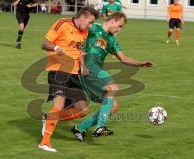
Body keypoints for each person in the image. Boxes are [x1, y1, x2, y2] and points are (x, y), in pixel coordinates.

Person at [71, 12, 153, 142]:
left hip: (96, 69)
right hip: (88, 67)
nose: (119, 29)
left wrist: (140, 63)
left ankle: (80, 128)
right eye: (119, 26)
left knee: (114, 106)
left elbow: (123, 58)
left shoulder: (112, 40)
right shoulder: (94, 28)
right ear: (113, 20)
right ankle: (101, 126)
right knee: (113, 87)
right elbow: (77, 30)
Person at [38, 6, 98, 152]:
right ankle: (44, 143)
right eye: (90, 22)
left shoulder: (85, 31)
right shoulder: (62, 23)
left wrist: (82, 66)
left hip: (74, 73)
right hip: (58, 70)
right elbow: (45, 43)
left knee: (82, 108)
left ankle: (49, 118)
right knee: (59, 104)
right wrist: (56, 48)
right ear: (82, 18)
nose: (90, 26)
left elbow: (80, 50)